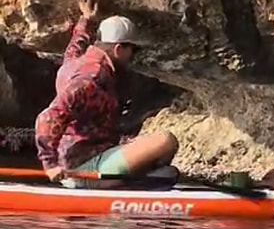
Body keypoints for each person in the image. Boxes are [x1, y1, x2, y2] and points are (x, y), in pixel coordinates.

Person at [35, 14, 178, 185]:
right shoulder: (92, 79)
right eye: (133, 49)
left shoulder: (75, 61)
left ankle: (131, 180)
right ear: (118, 49)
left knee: (166, 172)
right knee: (166, 141)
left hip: (88, 156)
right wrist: (50, 165)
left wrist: (86, 19)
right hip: (85, 170)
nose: (133, 55)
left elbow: (75, 46)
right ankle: (128, 187)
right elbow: (48, 116)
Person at [55, 0, 99, 93]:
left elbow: (75, 48)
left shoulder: (68, 73)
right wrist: (86, 18)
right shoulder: (67, 74)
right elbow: (75, 48)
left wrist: (86, 19)